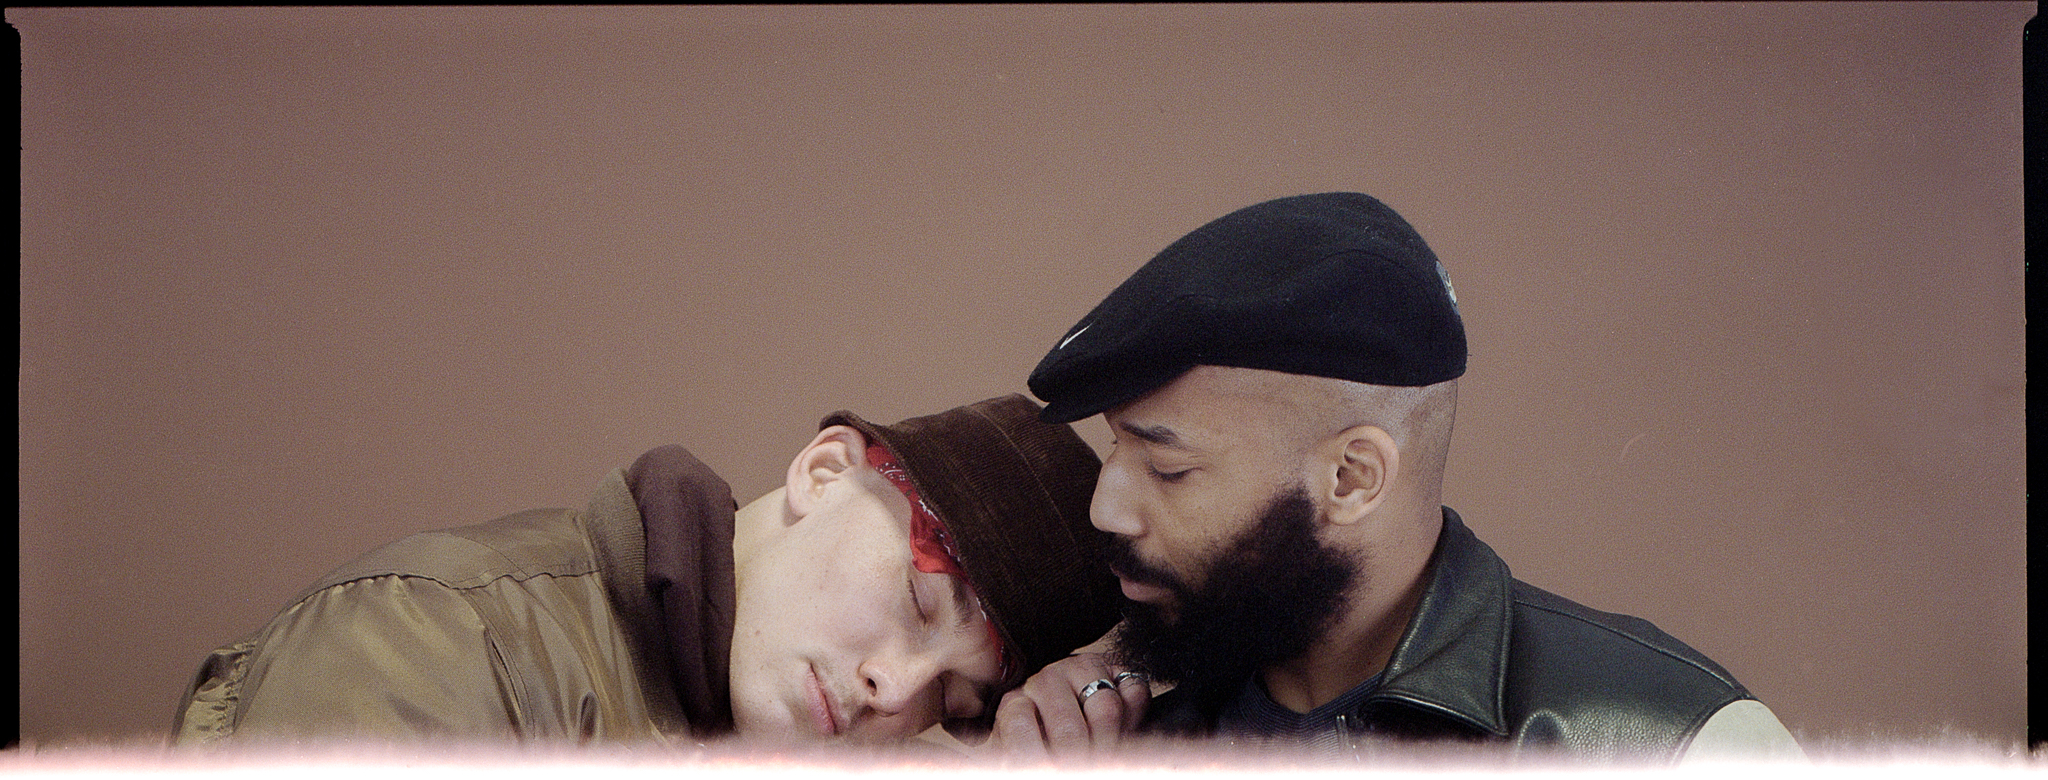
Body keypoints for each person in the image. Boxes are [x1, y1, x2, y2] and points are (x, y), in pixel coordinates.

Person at [990, 193, 1804, 764]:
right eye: (1114, 450)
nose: (1106, 507)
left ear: (1352, 478)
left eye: (1168, 468)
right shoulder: (1121, 746)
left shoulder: (1668, 743)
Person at [172, 394, 1122, 748]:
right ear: (825, 471)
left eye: (952, 699)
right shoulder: (437, 637)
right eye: (918, 600)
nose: (898, 691)